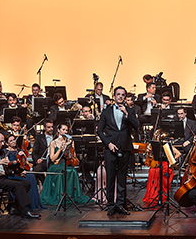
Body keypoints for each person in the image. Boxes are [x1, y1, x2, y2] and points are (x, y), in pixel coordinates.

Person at [97, 86, 141, 216]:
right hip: (110, 148)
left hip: (125, 147)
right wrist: (108, 143)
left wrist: (127, 114)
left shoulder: (131, 111)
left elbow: (137, 126)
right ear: (114, 96)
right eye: (118, 94)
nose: (120, 96)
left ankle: (120, 204)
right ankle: (111, 204)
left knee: (122, 177)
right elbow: (100, 130)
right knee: (110, 177)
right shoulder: (106, 112)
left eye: (123, 95)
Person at [0, 132, 39, 218]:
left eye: (3, 142)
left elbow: (6, 170)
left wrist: (17, 172)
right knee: (18, 185)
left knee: (26, 183)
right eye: (0, 141)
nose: (2, 144)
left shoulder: (1, 152)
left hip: (3, 178)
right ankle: (25, 211)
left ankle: (14, 207)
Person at [41, 123, 92, 207]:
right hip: (57, 164)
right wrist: (60, 148)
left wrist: (69, 149)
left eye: (66, 130)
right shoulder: (53, 142)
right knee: (61, 172)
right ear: (58, 130)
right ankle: (59, 196)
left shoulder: (70, 142)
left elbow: (73, 155)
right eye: (63, 129)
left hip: (67, 163)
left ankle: (71, 195)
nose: (65, 132)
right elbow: (53, 158)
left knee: (72, 171)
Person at [5, 134, 43, 211]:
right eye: (11, 141)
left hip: (22, 170)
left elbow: (25, 163)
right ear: (7, 143)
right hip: (13, 173)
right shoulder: (5, 152)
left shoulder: (20, 150)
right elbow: (9, 165)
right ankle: (28, 205)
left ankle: (34, 204)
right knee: (30, 177)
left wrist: (27, 164)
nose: (13, 142)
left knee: (32, 175)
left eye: (14, 140)